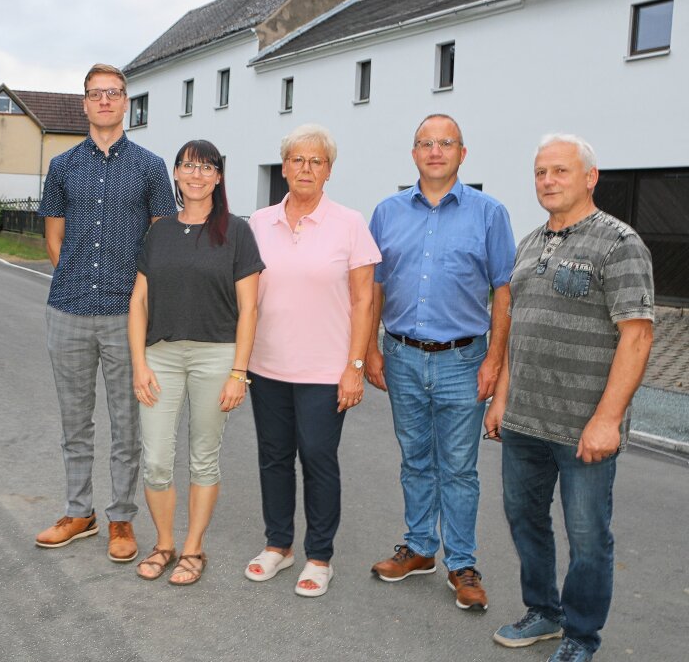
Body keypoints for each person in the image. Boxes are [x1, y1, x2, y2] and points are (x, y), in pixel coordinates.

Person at [485, 135, 653, 662]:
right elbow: (520, 332)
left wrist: (607, 420)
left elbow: (638, 335)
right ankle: (544, 613)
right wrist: (501, 400)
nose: (548, 181)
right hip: (524, 422)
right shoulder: (531, 243)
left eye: (560, 171)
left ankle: (582, 635)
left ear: (589, 177)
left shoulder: (619, 243)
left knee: (588, 536)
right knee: (525, 520)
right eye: (540, 173)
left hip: (585, 427)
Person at [365, 113, 515, 611]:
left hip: (463, 359)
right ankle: (421, 548)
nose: (435, 151)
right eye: (425, 143)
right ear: (413, 154)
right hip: (402, 355)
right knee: (416, 459)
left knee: (459, 467)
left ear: (462, 153)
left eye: (445, 143)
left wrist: (495, 358)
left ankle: (462, 563)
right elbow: (375, 288)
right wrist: (369, 349)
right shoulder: (386, 212)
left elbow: (504, 290)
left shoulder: (489, 213)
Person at [35, 64, 176, 562]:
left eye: (113, 93)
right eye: (96, 94)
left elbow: (161, 242)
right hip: (68, 310)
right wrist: (73, 277)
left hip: (126, 315)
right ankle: (79, 513)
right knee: (75, 423)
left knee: (126, 425)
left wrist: (141, 300)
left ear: (126, 101)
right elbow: (54, 237)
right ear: (84, 102)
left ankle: (120, 519)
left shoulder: (151, 167)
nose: (104, 101)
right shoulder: (62, 166)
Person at [243, 124, 380, 598]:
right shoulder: (258, 223)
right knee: (273, 458)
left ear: (329, 171)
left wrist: (355, 366)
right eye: (297, 160)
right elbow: (245, 298)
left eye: (316, 161)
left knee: (319, 459)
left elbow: (364, 302)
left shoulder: (349, 223)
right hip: (267, 366)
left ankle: (319, 556)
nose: (306, 168)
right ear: (283, 168)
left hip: (326, 371)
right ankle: (277, 545)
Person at [128, 140, 263, 586]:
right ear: (177, 174)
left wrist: (239, 372)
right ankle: (164, 544)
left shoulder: (237, 231)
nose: (196, 174)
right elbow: (139, 302)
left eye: (206, 167)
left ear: (219, 177)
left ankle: (193, 549)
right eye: (188, 165)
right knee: (156, 460)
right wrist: (139, 364)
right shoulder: (159, 231)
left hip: (216, 357)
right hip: (160, 356)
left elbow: (249, 309)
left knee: (204, 458)